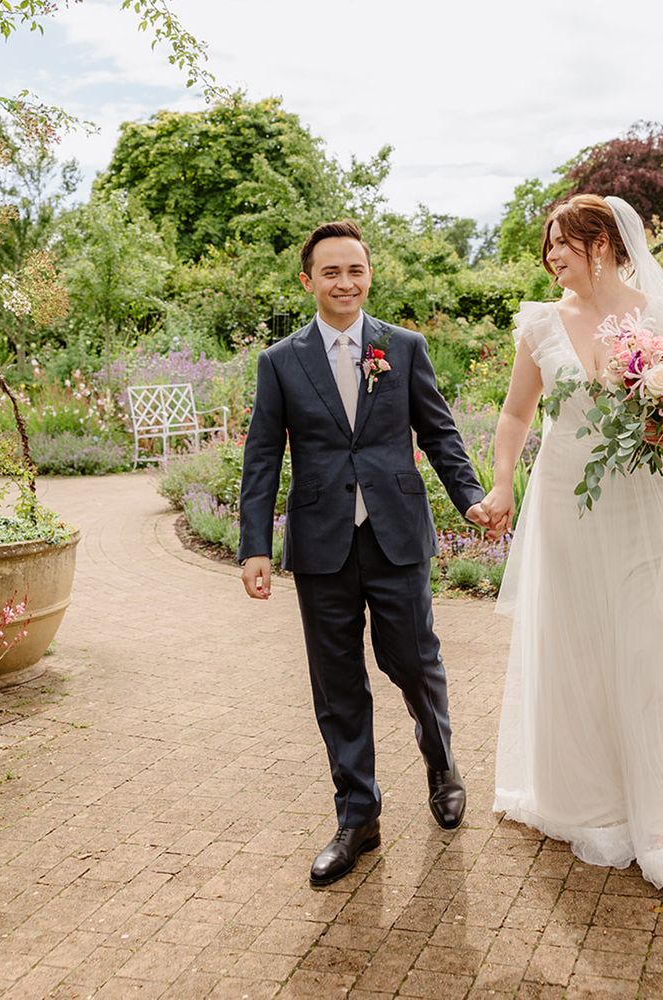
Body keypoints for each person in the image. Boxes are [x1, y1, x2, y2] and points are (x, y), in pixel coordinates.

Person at [481, 194, 663, 892]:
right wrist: (503, 484)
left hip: (645, 504)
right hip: (566, 500)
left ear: (601, 244)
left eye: (562, 243)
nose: (551, 256)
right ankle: (588, 803)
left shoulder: (659, 319)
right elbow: (515, 414)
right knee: (576, 640)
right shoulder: (540, 324)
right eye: (548, 246)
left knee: (650, 643)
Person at [238, 220, 490, 887]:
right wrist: (254, 546)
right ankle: (358, 816)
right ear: (308, 281)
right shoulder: (280, 362)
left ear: (368, 275)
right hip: (321, 543)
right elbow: (262, 457)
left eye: (355, 270)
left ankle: (441, 765)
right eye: (331, 272)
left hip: (396, 535)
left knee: (414, 663)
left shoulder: (403, 348)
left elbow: (440, 434)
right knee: (337, 683)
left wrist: (469, 499)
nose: (345, 282)